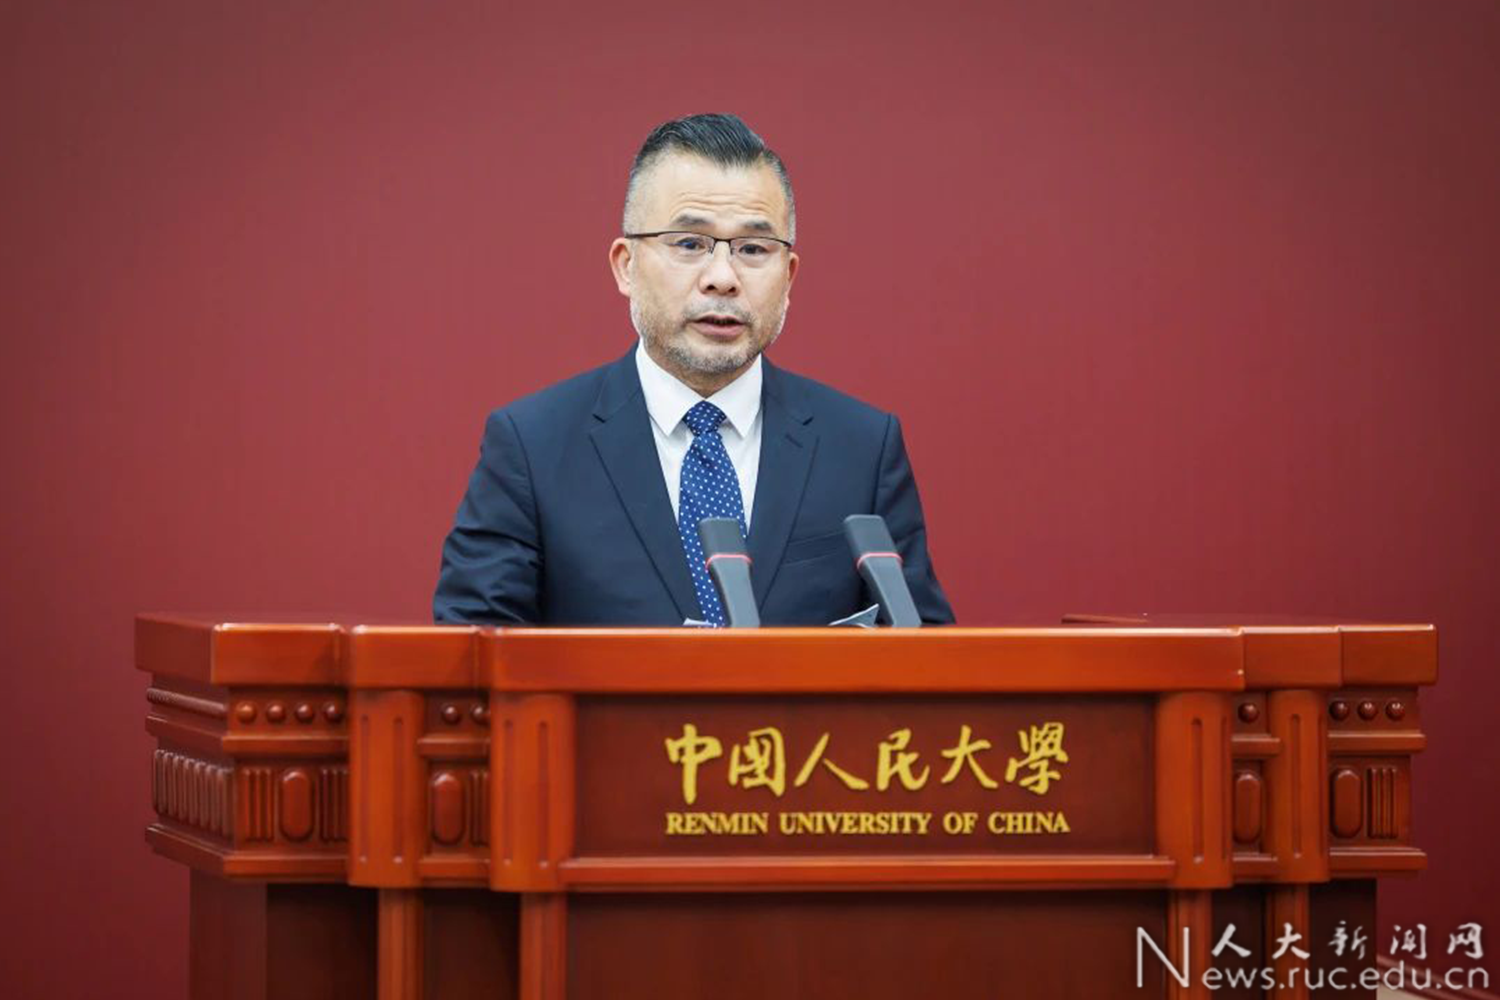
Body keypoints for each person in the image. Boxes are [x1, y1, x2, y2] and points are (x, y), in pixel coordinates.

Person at [434, 113, 953, 626]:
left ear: (789, 276)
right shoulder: (532, 447)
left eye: (753, 249)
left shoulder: (862, 449)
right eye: (689, 244)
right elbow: (473, 651)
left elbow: (926, 655)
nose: (722, 278)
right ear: (626, 266)